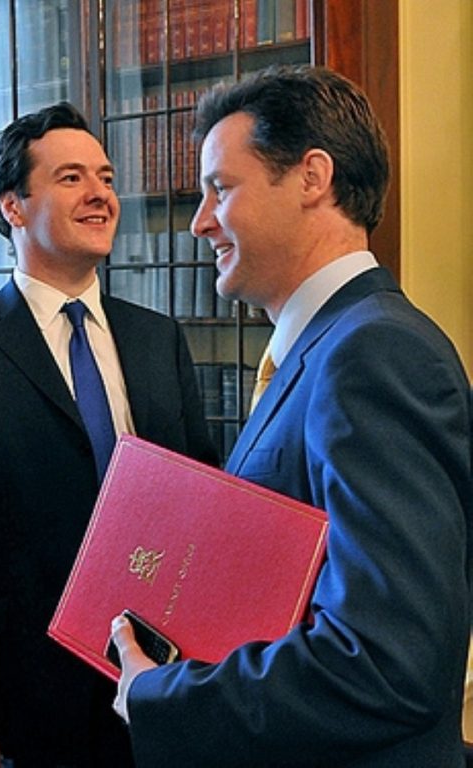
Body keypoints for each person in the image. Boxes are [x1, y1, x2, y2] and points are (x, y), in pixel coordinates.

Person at [109, 65, 472, 766]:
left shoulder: (375, 353)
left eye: (222, 188)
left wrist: (167, 696)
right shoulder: (327, 348)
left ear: (312, 177)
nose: (200, 221)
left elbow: (387, 662)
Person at [0, 101, 218, 767]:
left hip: (163, 684)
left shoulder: (159, 339)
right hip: (24, 705)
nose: (101, 193)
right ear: (14, 206)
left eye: (105, 177)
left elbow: (204, 508)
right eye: (72, 178)